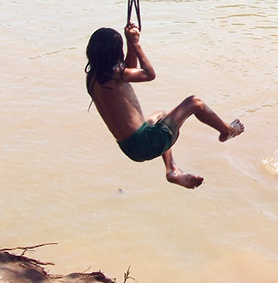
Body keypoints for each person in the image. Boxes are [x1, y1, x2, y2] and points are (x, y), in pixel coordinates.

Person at [85, 23, 244, 189]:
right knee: (194, 102)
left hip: (129, 148)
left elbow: (129, 69)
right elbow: (149, 74)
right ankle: (227, 131)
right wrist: (136, 45)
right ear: (115, 53)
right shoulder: (116, 75)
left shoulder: (94, 78)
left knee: (159, 116)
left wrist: (130, 42)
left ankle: (172, 169)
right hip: (145, 143)